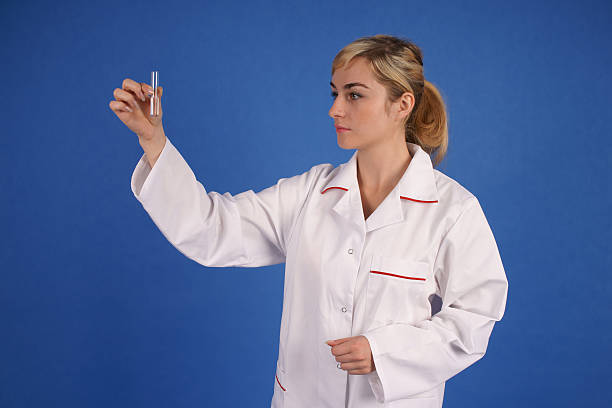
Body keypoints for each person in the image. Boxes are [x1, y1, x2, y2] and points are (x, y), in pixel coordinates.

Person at [109, 34, 508, 408]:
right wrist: (153, 141)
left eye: (354, 95)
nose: (335, 109)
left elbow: (473, 319)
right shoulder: (308, 195)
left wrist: (384, 352)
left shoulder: (451, 210)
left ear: (402, 105)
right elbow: (211, 228)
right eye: (335, 94)